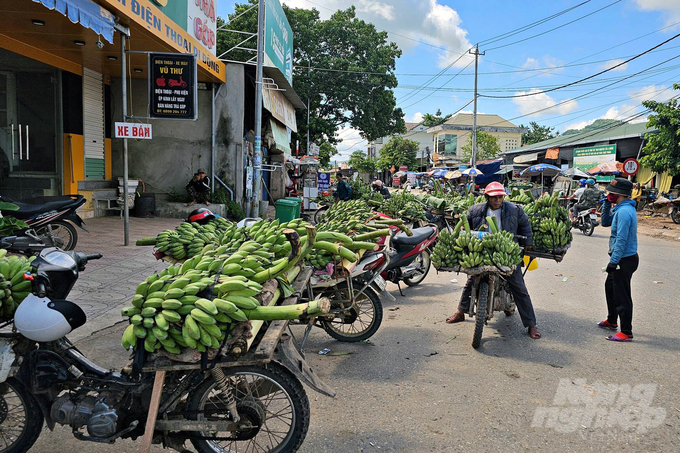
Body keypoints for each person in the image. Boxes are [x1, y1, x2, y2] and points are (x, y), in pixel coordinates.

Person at [446, 181, 541, 339]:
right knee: (471, 280)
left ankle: (531, 324)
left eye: (500, 197)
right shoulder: (476, 210)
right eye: (493, 197)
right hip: (483, 248)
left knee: (518, 285)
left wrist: (528, 244)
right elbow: (466, 224)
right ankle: (461, 311)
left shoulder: (514, 210)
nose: (497, 200)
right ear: (487, 197)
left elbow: (525, 226)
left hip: (506, 249)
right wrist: (462, 229)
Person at [598, 178, 638, 342]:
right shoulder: (620, 208)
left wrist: (613, 262)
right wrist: (607, 204)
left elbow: (621, 240)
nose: (609, 194)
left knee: (622, 295)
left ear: (621, 194)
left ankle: (626, 331)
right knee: (610, 288)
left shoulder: (624, 212)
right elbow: (605, 222)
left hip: (624, 259)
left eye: (611, 193)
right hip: (622, 258)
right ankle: (612, 320)